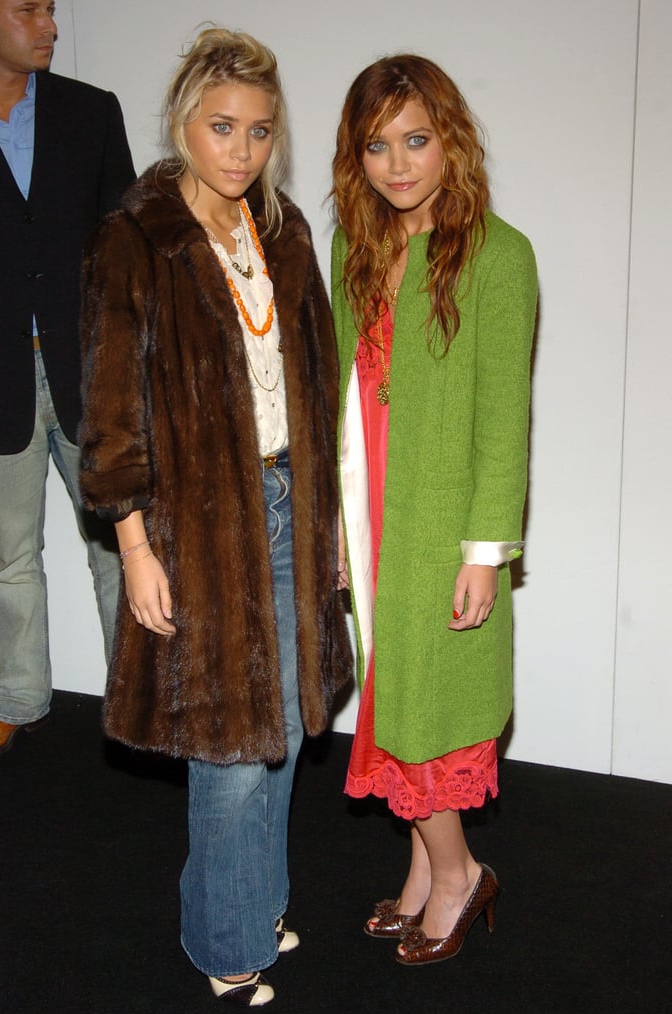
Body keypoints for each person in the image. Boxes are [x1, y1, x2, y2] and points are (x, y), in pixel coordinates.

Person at [79, 27, 352, 1008]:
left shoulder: (283, 233)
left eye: (259, 132)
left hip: (289, 502)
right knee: (229, 749)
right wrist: (135, 542)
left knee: (277, 728)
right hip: (197, 525)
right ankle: (224, 942)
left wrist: (324, 528)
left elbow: (314, 387)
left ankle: (250, 899)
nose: (240, 149)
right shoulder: (135, 239)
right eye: (221, 126)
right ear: (182, 120)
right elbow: (109, 415)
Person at [330, 54, 537, 966]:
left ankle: (459, 875)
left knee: (424, 711)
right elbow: (334, 388)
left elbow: (504, 420)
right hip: (367, 509)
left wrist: (484, 550)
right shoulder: (354, 246)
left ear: (449, 139)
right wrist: (332, 526)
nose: (398, 164)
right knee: (389, 698)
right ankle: (422, 872)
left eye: (416, 140)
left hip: (438, 527)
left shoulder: (499, 254)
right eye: (377, 145)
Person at [0, 0, 134, 761]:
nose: (50, 24)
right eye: (29, 7)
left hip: (91, 374)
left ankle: (137, 703)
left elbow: (125, 245)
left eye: (51, 8)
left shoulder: (91, 113)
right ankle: (18, 696)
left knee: (123, 546)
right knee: (6, 554)